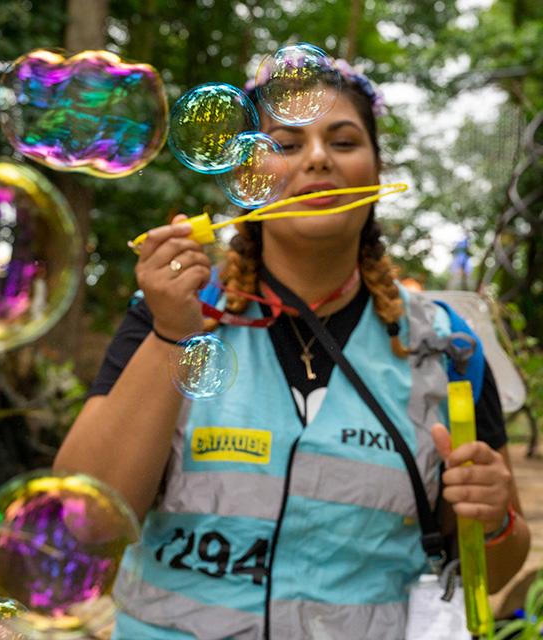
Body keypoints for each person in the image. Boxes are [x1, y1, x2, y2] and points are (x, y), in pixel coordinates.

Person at [53, 59, 531, 640]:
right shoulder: (175, 312)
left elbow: (498, 568)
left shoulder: (445, 346)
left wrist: (496, 516)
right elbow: (82, 528)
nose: (318, 159)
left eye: (344, 141)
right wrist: (171, 333)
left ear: (377, 170)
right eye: (285, 142)